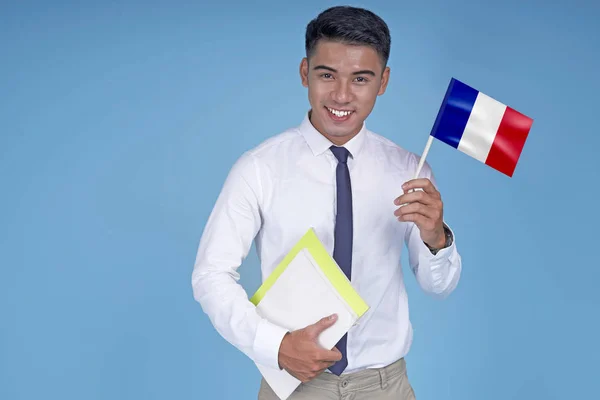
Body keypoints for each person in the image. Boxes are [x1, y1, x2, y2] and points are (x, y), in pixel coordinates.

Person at [192, 5, 462, 400]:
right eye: (326, 75)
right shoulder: (259, 168)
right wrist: (276, 346)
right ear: (305, 73)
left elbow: (438, 287)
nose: (341, 95)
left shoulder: (409, 170)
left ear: (383, 81)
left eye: (361, 79)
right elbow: (210, 275)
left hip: (385, 387)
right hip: (295, 385)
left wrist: (437, 237)